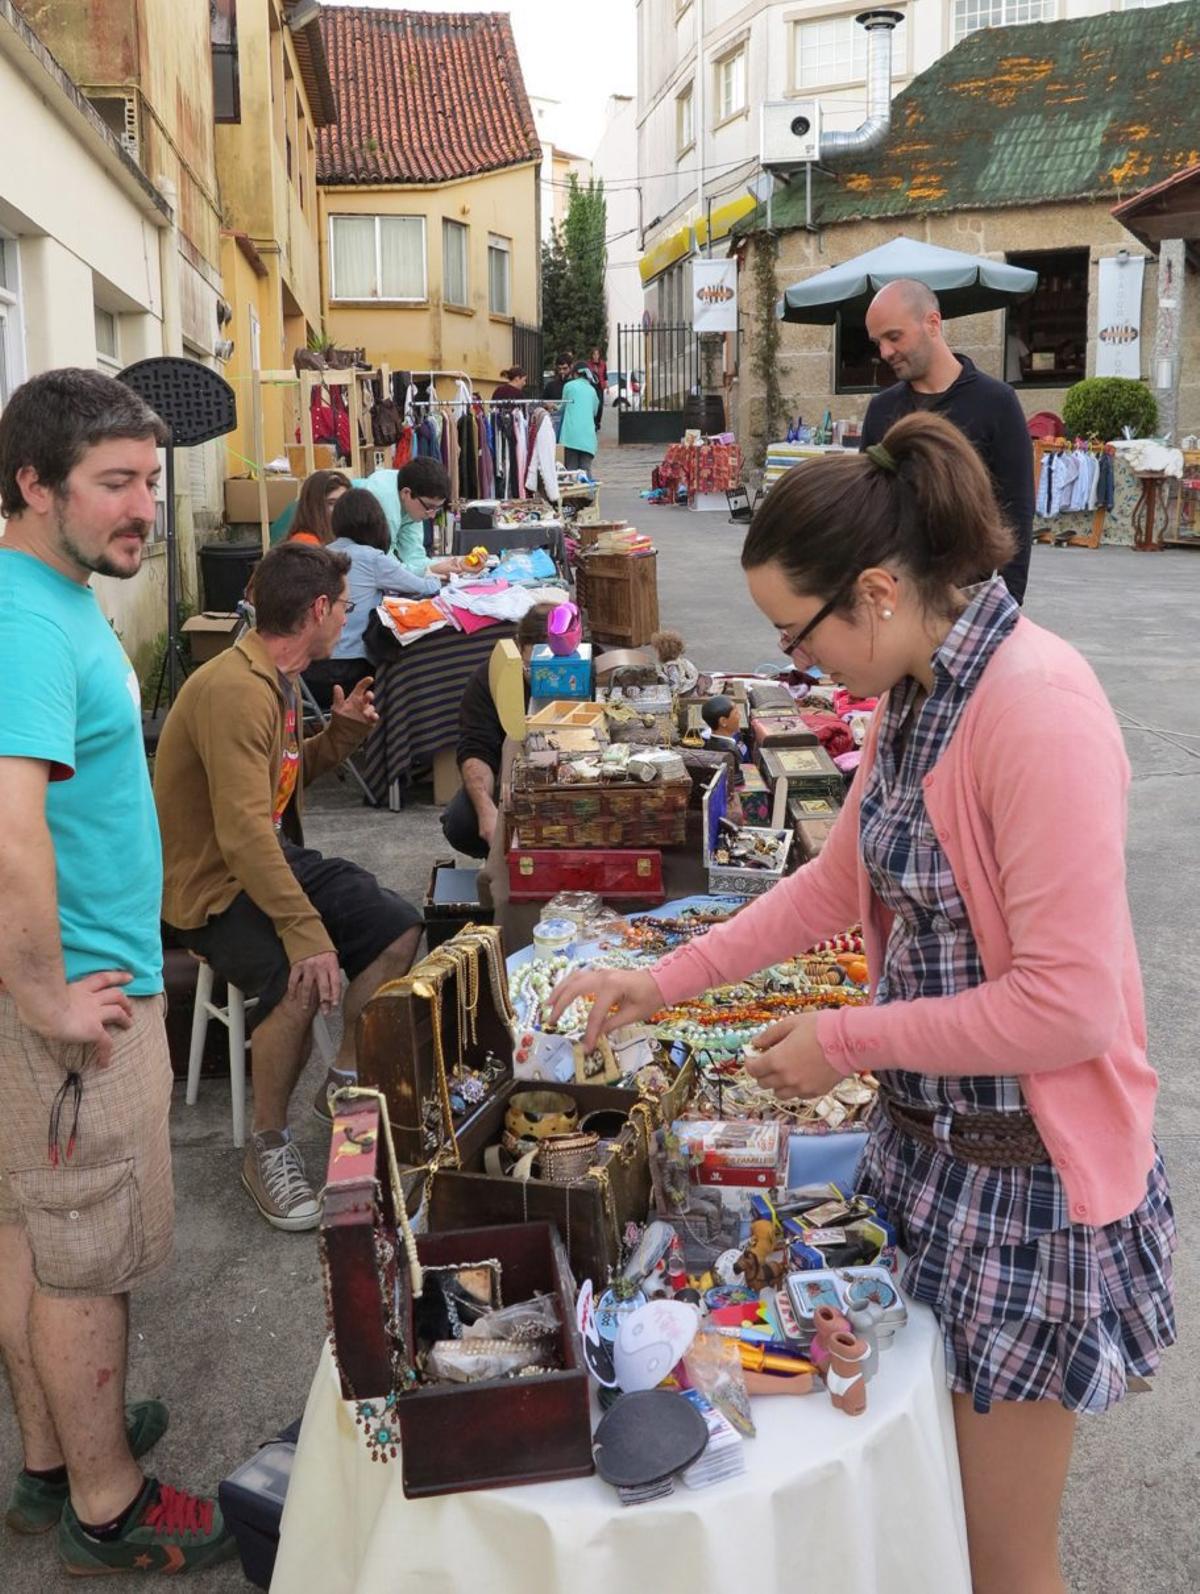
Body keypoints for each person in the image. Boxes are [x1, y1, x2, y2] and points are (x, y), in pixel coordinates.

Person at [550, 412, 1174, 1594]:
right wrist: (659, 977)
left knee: (1003, 1557)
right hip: (929, 1159)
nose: (800, 665)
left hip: (1025, 1189)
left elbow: (1071, 1008)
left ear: (878, 592)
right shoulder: (921, 691)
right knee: (919, 1501)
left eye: (800, 633)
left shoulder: (1035, 706)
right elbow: (835, 886)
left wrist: (843, 1035)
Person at [0, 368, 236, 1573]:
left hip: (56, 988)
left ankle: (51, 1457)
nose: (144, 506)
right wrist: (47, 995)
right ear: (35, 483)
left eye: (152, 479)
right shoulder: (30, 623)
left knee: (32, 1238)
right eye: (114, 484)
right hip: (77, 996)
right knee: (87, 1256)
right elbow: (10, 828)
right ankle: (110, 1498)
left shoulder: (42, 589)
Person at [154, 543, 424, 1231]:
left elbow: (279, 787)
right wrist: (306, 933)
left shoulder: (274, 675)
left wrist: (340, 735)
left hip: (265, 859)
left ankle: (341, 1082)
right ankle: (265, 1147)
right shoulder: (235, 690)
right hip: (211, 887)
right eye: (343, 606)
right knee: (298, 975)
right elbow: (243, 835)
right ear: (316, 610)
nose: (347, 616)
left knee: (396, 924)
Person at [861, 279, 1034, 604]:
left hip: (966, 597)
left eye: (894, 337)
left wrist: (1010, 598)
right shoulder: (881, 410)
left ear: (932, 323)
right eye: (877, 342)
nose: (885, 352)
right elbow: (867, 506)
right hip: (894, 597)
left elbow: (1017, 507)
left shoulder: (997, 402)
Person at [303, 488, 441, 710]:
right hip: (353, 673)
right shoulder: (371, 558)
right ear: (376, 521)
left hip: (310, 674)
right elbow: (422, 588)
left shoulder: (320, 554)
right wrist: (440, 578)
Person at [441, 605, 553, 858]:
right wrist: (486, 810)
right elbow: (476, 747)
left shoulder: (589, 665)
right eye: (533, 670)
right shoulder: (491, 679)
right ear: (517, 646)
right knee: (462, 823)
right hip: (512, 775)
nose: (544, 680)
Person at [358, 458, 463, 579]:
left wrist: (456, 566)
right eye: (430, 507)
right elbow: (385, 566)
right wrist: (429, 570)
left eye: (437, 508)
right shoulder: (382, 501)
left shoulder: (412, 499)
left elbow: (415, 557)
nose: (432, 515)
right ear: (406, 493)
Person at [268, 468, 350, 546]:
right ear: (313, 507)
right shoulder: (306, 543)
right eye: (331, 503)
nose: (340, 509)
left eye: (344, 503)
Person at [559, 364, 602, 472]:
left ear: (575, 374)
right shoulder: (592, 390)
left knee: (571, 468)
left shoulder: (568, 386)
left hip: (571, 436)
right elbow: (595, 411)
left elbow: (562, 407)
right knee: (585, 469)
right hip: (588, 437)